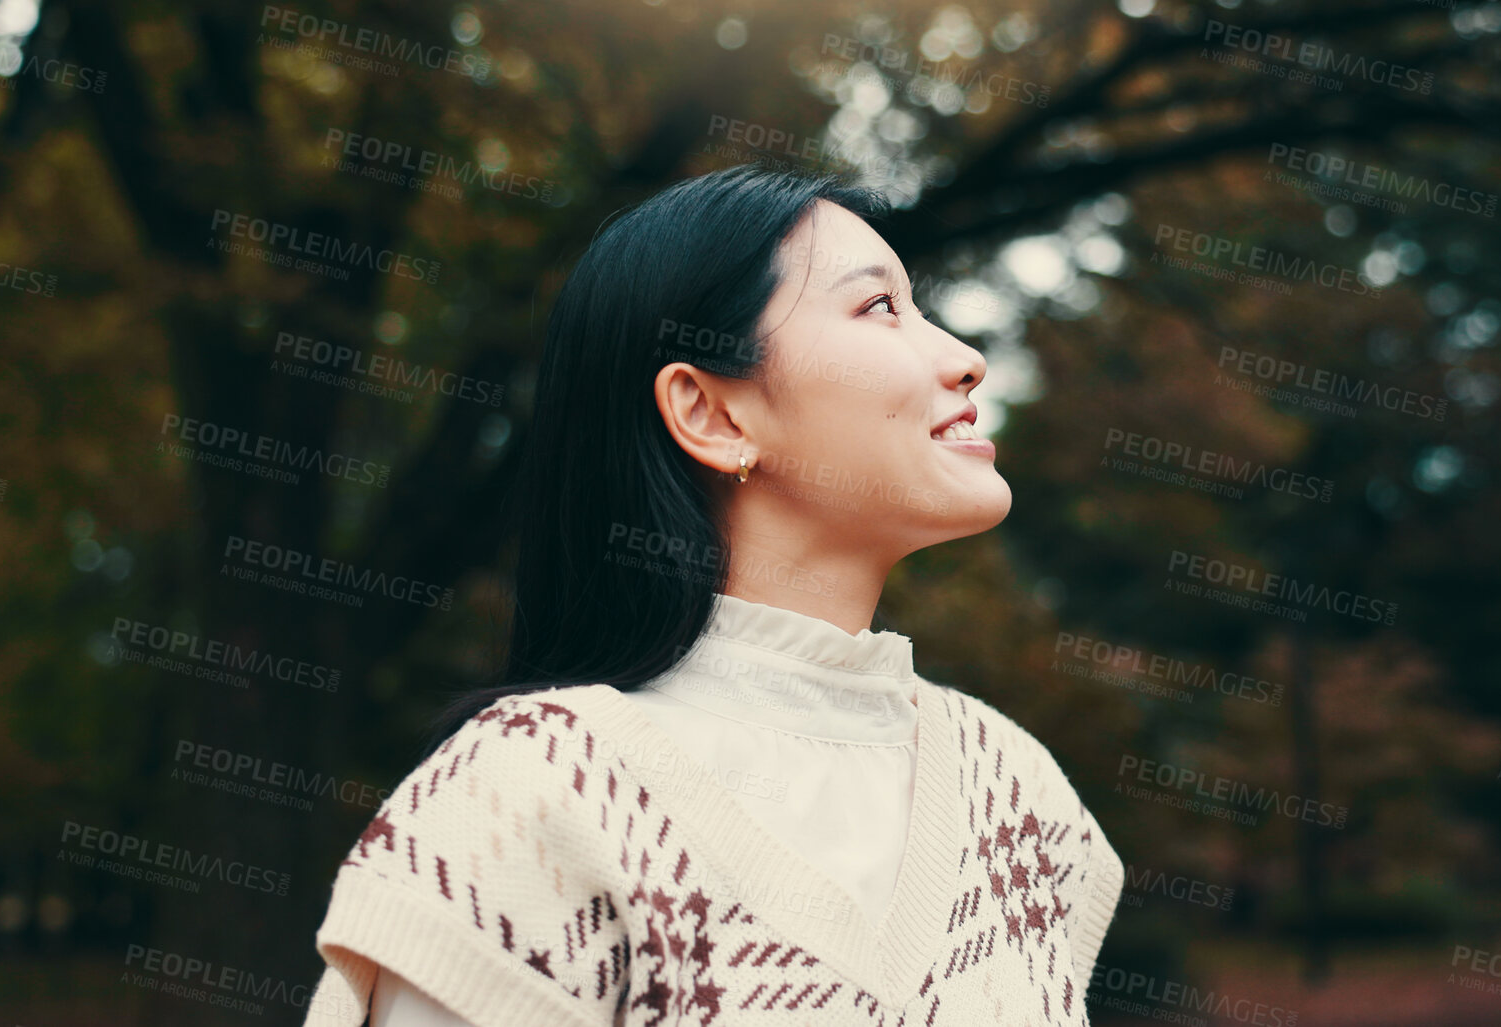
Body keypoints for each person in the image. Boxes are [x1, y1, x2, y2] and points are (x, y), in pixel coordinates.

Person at [299, 163, 1124, 1026]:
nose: (964, 359)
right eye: (879, 307)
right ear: (712, 414)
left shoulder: (1015, 799)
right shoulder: (534, 793)